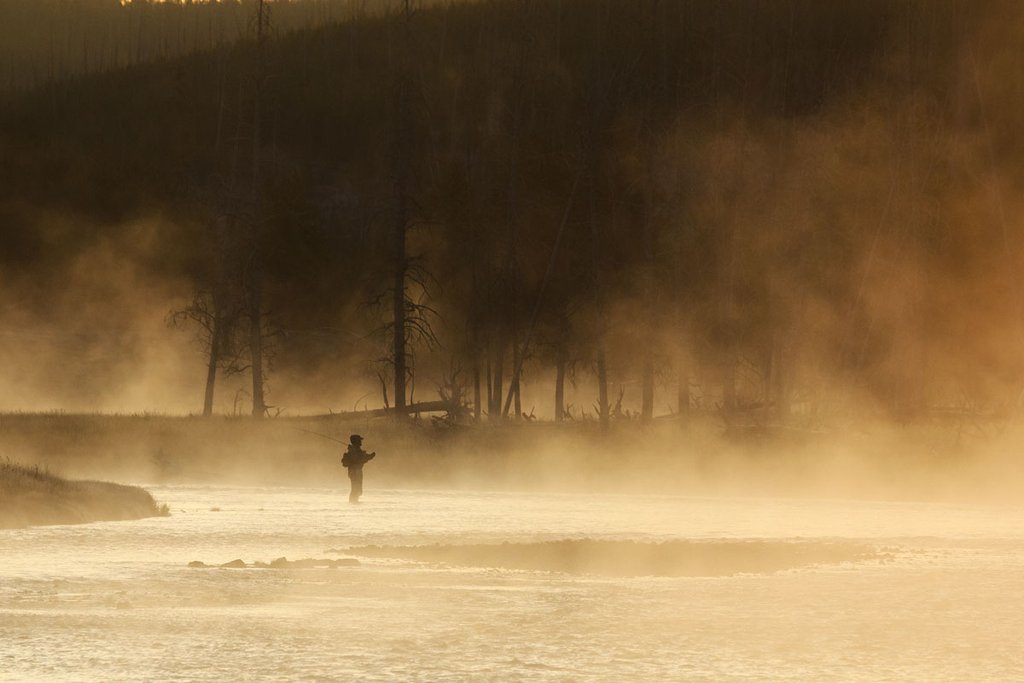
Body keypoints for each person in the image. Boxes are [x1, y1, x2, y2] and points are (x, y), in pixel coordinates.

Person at [341, 434, 375, 503]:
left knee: (357, 490)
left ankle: (354, 503)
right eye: (359, 440)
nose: (361, 442)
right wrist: (370, 456)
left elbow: (362, 458)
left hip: (356, 471)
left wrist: (370, 456)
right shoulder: (354, 451)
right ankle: (353, 503)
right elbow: (360, 459)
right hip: (355, 472)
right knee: (356, 489)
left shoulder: (355, 450)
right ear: (356, 441)